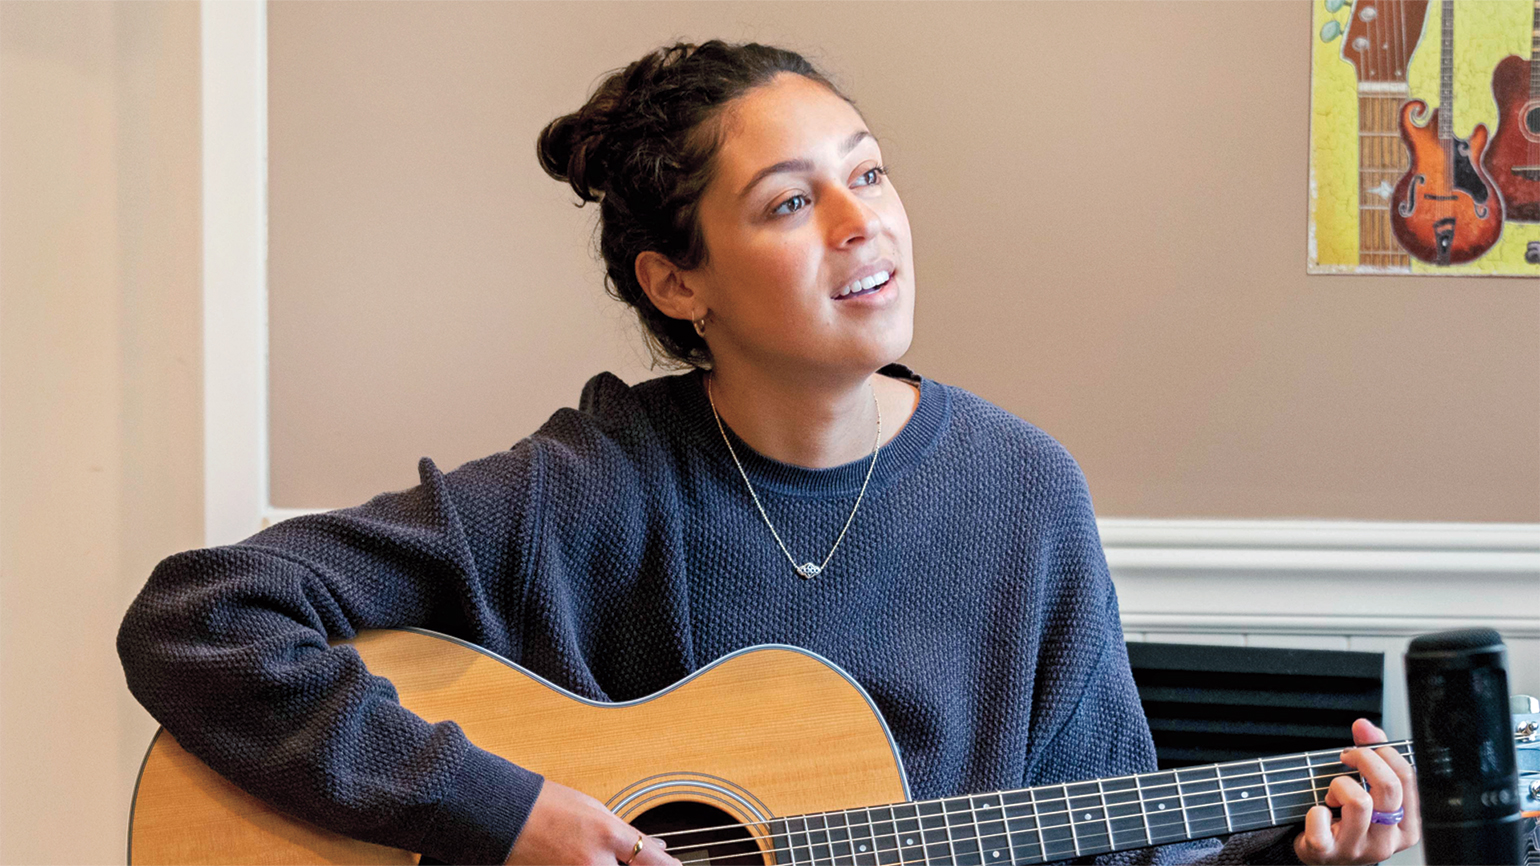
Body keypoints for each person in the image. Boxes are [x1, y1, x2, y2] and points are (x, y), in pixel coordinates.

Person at [118, 40, 1420, 866]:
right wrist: (494, 808)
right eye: (792, 201)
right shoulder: (597, 485)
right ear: (679, 281)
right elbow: (199, 618)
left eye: (872, 173)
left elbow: (1111, 836)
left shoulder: (1023, 492)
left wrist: (1299, 856)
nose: (865, 223)